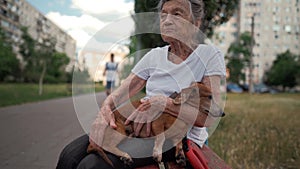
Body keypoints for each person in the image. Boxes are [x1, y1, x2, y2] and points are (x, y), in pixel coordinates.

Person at [56, 0, 226, 168]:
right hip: (138, 127)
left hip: (173, 137)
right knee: (69, 155)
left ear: (195, 23)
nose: (167, 20)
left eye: (177, 13)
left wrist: (163, 104)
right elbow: (119, 94)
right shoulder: (154, 56)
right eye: (163, 15)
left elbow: (209, 118)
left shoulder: (208, 55)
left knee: (92, 165)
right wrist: (103, 115)